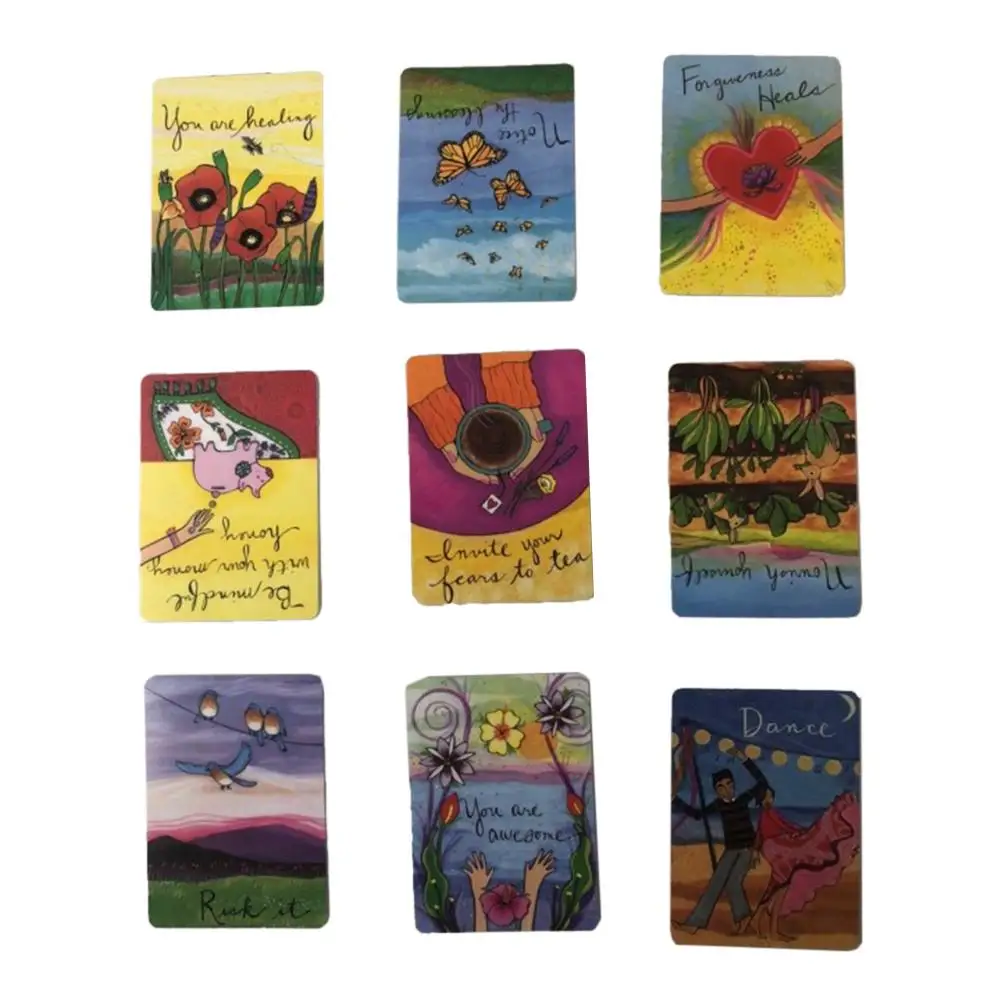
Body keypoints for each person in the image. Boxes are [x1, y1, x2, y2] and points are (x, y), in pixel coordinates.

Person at [672, 747, 769, 935]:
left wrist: (743, 758)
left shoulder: (743, 800)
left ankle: (743, 918)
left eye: (729, 784)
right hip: (731, 849)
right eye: (721, 787)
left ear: (734, 784)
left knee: (733, 883)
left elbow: (762, 783)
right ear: (716, 791)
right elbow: (697, 815)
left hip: (747, 850)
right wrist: (675, 800)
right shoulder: (718, 805)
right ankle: (695, 923)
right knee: (715, 884)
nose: (727, 790)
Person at [753, 788, 860, 942]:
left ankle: (763, 926)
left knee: (775, 890)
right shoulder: (767, 814)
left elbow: (784, 826)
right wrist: (799, 833)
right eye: (766, 797)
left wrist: (800, 831)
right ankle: (770, 929)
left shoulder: (771, 813)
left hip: (780, 850)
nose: (770, 800)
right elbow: (770, 831)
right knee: (778, 890)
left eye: (771, 797)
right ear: (761, 800)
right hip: (779, 851)